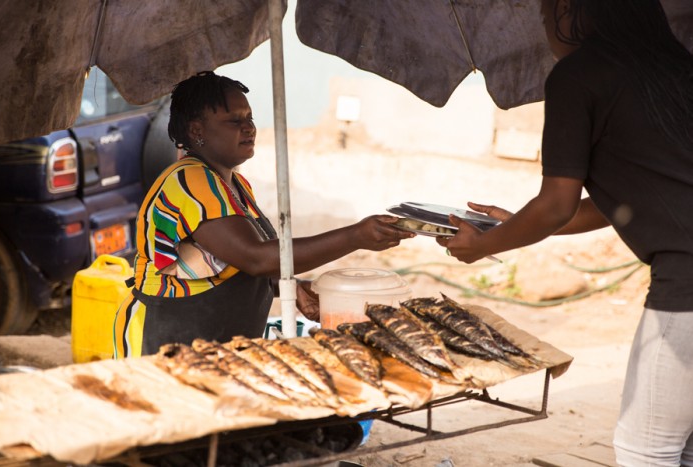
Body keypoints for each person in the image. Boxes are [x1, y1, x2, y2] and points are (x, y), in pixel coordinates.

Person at [438, 1, 693, 465]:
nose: (544, 33)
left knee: (645, 449)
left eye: (543, 17)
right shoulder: (677, 68)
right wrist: (516, 224)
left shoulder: (579, 76)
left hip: (688, 278)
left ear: (570, 11)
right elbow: (627, 200)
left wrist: (483, 244)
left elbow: (554, 204)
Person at [114, 71, 414, 358]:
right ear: (197, 131)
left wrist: (287, 285)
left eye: (249, 118)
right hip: (166, 341)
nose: (249, 128)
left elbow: (228, 261)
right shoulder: (191, 180)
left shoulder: (234, 184)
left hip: (216, 344)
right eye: (234, 121)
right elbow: (256, 257)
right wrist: (356, 235)